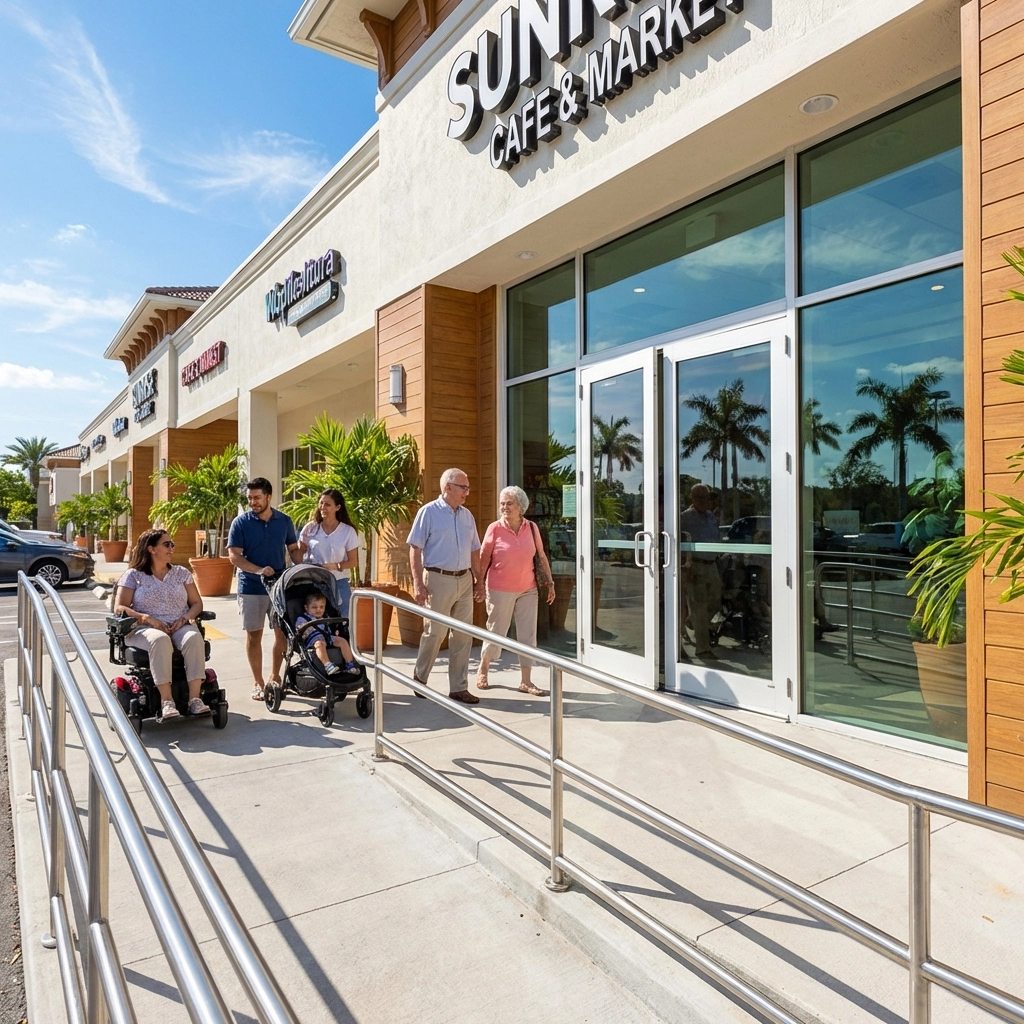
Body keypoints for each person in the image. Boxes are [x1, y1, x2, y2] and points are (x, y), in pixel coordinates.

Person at [114, 528, 208, 721]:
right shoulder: (134, 575)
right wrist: (146, 618)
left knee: (193, 637)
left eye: (172, 544)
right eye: (167, 544)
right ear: (151, 549)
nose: (172, 548)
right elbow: (119, 607)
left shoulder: (181, 573)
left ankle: (195, 700)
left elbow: (197, 603)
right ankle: (167, 702)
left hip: (178, 625)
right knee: (160, 639)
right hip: (144, 629)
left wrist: (186, 618)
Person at [408, 468, 484, 704]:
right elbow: (415, 549)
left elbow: (474, 550)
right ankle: (419, 679)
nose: (467, 493)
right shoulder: (428, 512)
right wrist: (418, 584)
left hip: (464, 580)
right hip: (438, 580)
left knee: (462, 635)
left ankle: (459, 687)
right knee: (435, 632)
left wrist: (479, 581)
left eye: (468, 488)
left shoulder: (467, 516)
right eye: (464, 488)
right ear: (448, 487)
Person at [475, 486, 555, 695]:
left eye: (509, 503)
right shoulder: (495, 528)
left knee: (528, 635)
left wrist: (550, 582)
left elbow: (541, 556)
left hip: (528, 589)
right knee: (496, 631)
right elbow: (484, 559)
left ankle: (526, 681)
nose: (504, 507)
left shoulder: (532, 528)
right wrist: (479, 583)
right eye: (502, 503)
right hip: (499, 588)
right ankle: (483, 667)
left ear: (521, 506)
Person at [227, 477, 300, 701]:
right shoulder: (240, 523)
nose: (253, 502)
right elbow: (234, 557)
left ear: (269, 497)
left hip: (279, 587)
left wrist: (302, 565)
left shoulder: (284, 521)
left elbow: (293, 550)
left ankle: (275, 676)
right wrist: (258, 570)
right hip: (251, 587)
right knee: (254, 635)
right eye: (250, 498)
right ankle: (257, 682)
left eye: (257, 498)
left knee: (282, 633)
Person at [296, 488, 359, 617]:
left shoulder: (348, 531)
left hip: (338, 583)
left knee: (341, 622)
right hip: (313, 582)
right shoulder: (310, 528)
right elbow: (299, 554)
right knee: (313, 623)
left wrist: (334, 566)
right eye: (321, 503)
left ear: (338, 507)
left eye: (327, 504)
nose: (323, 507)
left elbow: (353, 561)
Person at [679, 484, 722, 660]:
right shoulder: (685, 518)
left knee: (716, 601)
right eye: (701, 498)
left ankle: (692, 621)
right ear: (693, 499)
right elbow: (679, 543)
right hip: (695, 565)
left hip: (712, 564)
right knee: (699, 606)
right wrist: (685, 568)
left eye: (707, 498)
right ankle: (703, 648)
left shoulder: (711, 517)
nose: (705, 502)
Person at [294, 592, 360, 676]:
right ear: (306, 608)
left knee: (342, 641)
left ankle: (350, 664)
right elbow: (300, 629)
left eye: (322, 607)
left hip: (326, 637)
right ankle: (327, 665)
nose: (318, 610)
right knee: (319, 643)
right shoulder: (302, 618)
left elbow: (330, 627)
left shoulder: (325, 616)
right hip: (312, 640)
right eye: (314, 607)